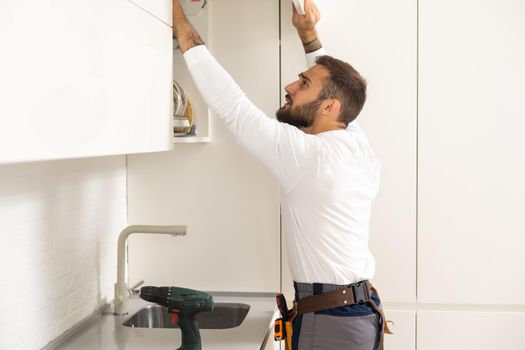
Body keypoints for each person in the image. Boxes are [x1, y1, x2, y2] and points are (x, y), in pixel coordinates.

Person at [172, 0, 392, 348]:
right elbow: (336, 92)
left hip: (332, 323)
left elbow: (231, 105)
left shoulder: (307, 155)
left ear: (328, 107)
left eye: (303, 83)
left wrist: (181, 25)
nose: (290, 86)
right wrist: (309, 37)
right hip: (362, 315)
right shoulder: (355, 143)